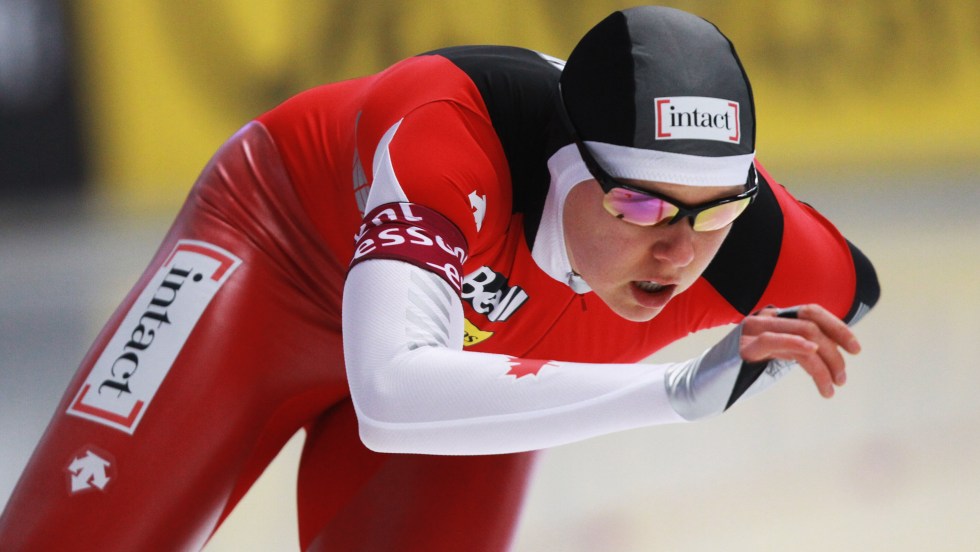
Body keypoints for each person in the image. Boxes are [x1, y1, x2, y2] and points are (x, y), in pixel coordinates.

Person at [0, 6, 879, 551]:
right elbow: (390, 392)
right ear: (568, 162)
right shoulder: (448, 132)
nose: (678, 253)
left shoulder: (762, 244)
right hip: (275, 260)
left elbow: (851, 291)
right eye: (642, 207)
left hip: (462, 362)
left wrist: (760, 329)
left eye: (714, 213)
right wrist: (676, 393)